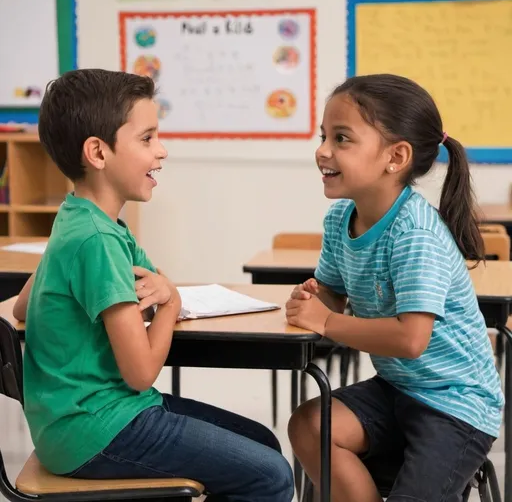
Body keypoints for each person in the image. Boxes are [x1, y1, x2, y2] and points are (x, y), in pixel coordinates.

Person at [14, 68, 294, 502]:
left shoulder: (82, 220)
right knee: (270, 475)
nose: (161, 151)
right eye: (147, 139)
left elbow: (21, 308)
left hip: (80, 422)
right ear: (98, 153)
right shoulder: (96, 239)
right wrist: (171, 303)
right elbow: (141, 370)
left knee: (263, 442)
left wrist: (161, 289)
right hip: (97, 429)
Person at [285, 73, 504, 502]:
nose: (322, 150)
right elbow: (332, 291)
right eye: (323, 135)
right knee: (309, 425)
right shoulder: (339, 220)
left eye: (342, 138)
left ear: (396, 156)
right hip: (398, 388)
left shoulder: (415, 232)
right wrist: (315, 299)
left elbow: (410, 338)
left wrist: (326, 320)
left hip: (457, 405)